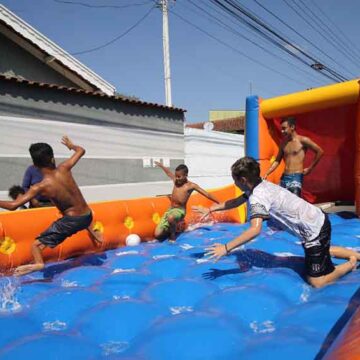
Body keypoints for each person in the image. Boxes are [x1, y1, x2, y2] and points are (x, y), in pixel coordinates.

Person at [198, 157, 359, 288]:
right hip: (319, 219)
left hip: (314, 231)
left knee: (316, 282)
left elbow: (255, 230)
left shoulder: (257, 198)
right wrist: (211, 209)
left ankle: (350, 264)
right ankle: (357, 255)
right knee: (324, 248)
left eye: (235, 180)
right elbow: (235, 202)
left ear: (243, 179)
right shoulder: (261, 184)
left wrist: (226, 248)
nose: (234, 184)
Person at [0, 136, 102, 276]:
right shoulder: (64, 168)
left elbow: (13, 205)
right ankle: (92, 231)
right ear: (52, 158)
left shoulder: (41, 186)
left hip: (73, 220)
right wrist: (71, 145)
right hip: (87, 216)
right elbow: (81, 150)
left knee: (35, 246)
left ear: (35, 165)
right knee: (68, 213)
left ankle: (39, 263)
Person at [154, 162, 220, 242]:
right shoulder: (175, 181)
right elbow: (168, 173)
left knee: (171, 218)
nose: (177, 178)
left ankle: (172, 236)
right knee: (157, 235)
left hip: (180, 211)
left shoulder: (191, 186)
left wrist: (218, 202)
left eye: (179, 176)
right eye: (176, 176)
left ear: (185, 175)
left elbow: (207, 194)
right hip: (170, 210)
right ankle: (175, 227)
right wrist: (161, 166)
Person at [263, 117, 324, 197]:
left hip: (296, 177)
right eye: (281, 129)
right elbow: (277, 161)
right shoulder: (283, 143)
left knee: (295, 204)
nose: (282, 131)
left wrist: (310, 168)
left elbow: (320, 151)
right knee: (281, 204)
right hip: (284, 177)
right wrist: (267, 173)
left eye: (284, 128)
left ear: (292, 127)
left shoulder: (303, 140)